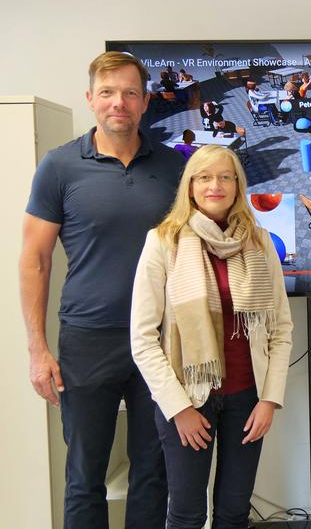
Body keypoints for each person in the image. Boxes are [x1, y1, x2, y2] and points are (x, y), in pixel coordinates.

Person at [20, 51, 184, 528]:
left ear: (145, 101)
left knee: (153, 470)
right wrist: (37, 349)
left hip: (159, 340)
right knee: (85, 473)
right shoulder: (59, 166)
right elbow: (35, 259)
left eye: (131, 93)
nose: (120, 103)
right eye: (108, 93)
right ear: (90, 99)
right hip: (88, 340)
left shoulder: (173, 167)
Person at [130, 145, 293, 529]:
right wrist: (178, 409)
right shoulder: (163, 241)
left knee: (235, 514)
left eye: (225, 176)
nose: (214, 185)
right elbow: (142, 337)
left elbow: (281, 327)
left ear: (237, 185)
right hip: (188, 400)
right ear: (190, 186)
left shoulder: (259, 241)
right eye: (204, 177)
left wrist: (269, 399)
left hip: (246, 400)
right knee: (186, 515)